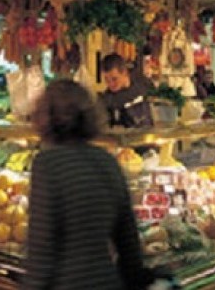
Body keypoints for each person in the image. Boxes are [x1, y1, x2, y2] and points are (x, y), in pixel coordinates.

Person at [23, 79, 156, 289]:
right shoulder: (107, 161)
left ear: (45, 117)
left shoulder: (47, 165)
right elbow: (129, 242)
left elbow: (42, 248)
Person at [98, 53, 154, 127]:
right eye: (107, 80)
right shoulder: (108, 99)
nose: (111, 84)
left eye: (114, 79)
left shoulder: (143, 83)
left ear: (124, 73)